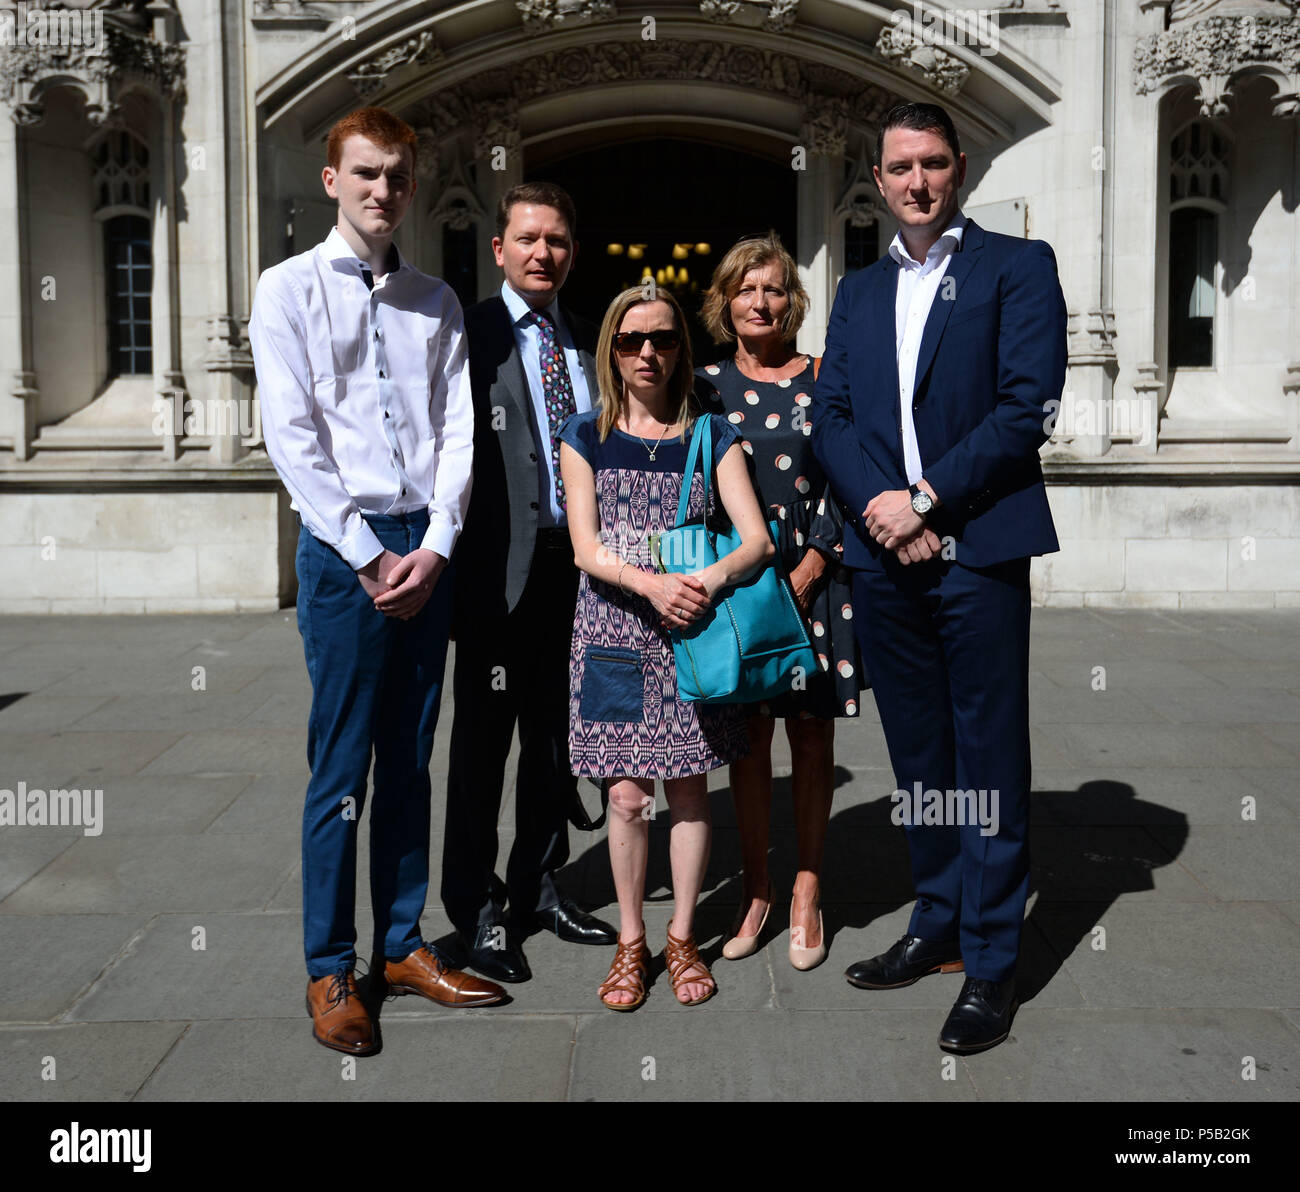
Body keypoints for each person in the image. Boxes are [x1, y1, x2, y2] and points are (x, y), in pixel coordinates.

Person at [249, 106, 506, 1057]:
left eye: (397, 176)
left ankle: (401, 946)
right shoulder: (284, 292)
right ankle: (330, 966)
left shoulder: (435, 299)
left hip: (425, 547)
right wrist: (367, 554)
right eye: (365, 174)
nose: (382, 191)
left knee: (409, 756)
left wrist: (435, 545)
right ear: (332, 181)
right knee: (342, 766)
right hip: (343, 549)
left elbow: (457, 434)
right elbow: (293, 438)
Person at [811, 101, 1066, 1054]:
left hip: (979, 548)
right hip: (885, 558)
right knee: (920, 756)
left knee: (988, 756)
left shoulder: (1016, 268)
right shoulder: (860, 291)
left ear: (958, 168)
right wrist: (886, 509)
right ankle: (940, 919)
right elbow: (831, 415)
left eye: (933, 164)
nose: (917, 182)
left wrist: (923, 499)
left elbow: (1024, 407)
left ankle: (995, 963)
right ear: (877, 180)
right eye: (899, 168)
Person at [557, 286, 774, 1010]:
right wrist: (650, 584)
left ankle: (680, 937)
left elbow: (757, 542)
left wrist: (701, 583)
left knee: (686, 788)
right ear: (611, 351)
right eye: (630, 339)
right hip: (614, 635)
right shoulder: (583, 433)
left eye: (663, 339)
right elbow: (585, 549)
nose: (647, 352)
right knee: (624, 796)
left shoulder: (711, 433)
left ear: (682, 349)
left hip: (692, 634)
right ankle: (631, 941)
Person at [443, 182, 617, 984]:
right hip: (494, 576)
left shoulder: (589, 342)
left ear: (571, 252)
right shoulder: (464, 334)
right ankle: (476, 910)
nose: (543, 252)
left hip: (575, 573)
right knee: (483, 747)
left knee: (555, 742)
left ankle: (539, 887)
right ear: (500, 249)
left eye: (557, 240)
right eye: (529, 239)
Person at [696, 233, 864, 972]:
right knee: (749, 742)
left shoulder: (826, 376)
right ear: (724, 302)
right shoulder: (702, 385)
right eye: (745, 289)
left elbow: (853, 474)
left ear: (792, 300)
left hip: (817, 579)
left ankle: (806, 889)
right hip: (741, 585)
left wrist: (816, 561)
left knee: (811, 737)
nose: (759, 302)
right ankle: (756, 890)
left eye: (772, 289)